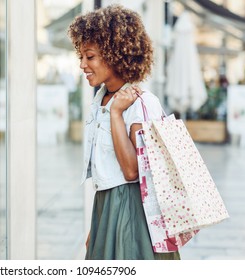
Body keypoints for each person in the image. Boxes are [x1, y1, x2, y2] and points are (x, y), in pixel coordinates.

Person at [68, 4, 180, 260]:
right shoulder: (101, 99)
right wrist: (95, 229)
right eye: (81, 56)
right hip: (106, 206)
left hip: (132, 212)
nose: (83, 64)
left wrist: (117, 114)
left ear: (114, 54)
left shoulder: (139, 103)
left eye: (90, 56)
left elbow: (131, 171)